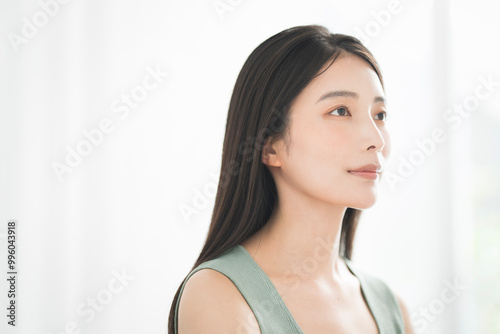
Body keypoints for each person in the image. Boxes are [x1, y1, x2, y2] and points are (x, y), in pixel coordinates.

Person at [168, 24, 414, 333]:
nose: (375, 139)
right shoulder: (219, 295)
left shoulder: (391, 308)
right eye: (340, 111)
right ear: (270, 145)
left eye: (379, 115)